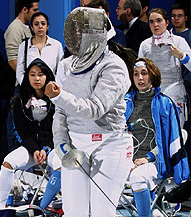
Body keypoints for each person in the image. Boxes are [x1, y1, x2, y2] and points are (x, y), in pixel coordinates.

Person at [47, 7, 133, 216]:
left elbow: (94, 109)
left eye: (81, 31)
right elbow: (60, 113)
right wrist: (61, 144)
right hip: (76, 144)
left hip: (109, 144)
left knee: (101, 213)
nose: (76, 36)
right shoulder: (67, 65)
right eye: (74, 30)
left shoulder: (114, 66)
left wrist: (59, 96)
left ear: (95, 35)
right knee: (74, 212)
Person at [124, 57, 190, 217]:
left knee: (138, 177)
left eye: (144, 73)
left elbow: (170, 140)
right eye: (136, 74)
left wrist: (147, 158)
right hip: (125, 160)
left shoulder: (165, 104)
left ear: (152, 75)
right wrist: (124, 160)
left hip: (155, 161)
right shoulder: (125, 103)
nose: (140, 78)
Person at [0, 58, 62, 211]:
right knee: (8, 163)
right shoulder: (19, 101)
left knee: (62, 167)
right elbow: (20, 131)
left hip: (52, 148)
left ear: (47, 77)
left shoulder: (57, 100)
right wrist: (34, 150)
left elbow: (59, 130)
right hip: (32, 149)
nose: (37, 79)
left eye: (40, 74)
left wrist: (45, 149)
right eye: (32, 75)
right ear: (27, 77)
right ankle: (0, 208)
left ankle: (43, 207)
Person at [138, 8, 191, 128]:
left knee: (174, 133)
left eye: (159, 20)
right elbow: (139, 72)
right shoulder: (145, 45)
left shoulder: (178, 41)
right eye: (151, 21)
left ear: (167, 22)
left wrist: (182, 56)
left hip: (175, 90)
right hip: (153, 93)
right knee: (155, 134)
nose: (155, 24)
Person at [15, 12, 63, 85]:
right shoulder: (24, 46)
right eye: (36, 24)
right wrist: (28, 86)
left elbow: (61, 71)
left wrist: (54, 87)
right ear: (32, 27)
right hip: (30, 90)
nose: (40, 26)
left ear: (47, 26)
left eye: (43, 23)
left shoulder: (56, 45)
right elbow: (20, 71)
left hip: (51, 89)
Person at [5, 0, 39, 72]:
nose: (37, 13)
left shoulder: (30, 26)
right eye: (35, 10)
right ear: (25, 10)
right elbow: (12, 59)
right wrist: (25, 78)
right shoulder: (14, 28)